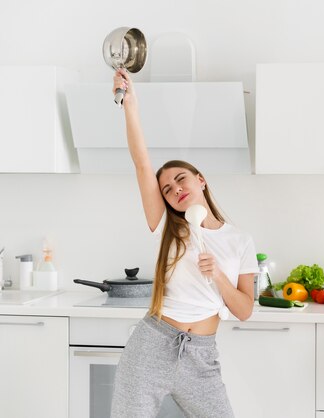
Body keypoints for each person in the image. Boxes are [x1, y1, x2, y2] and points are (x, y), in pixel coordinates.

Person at [109, 69, 259, 418]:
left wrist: (219, 276)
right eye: (167, 189)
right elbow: (141, 162)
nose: (176, 188)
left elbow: (244, 310)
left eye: (181, 179)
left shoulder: (240, 241)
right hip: (151, 346)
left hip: (201, 356)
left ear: (201, 180)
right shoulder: (167, 227)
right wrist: (130, 103)